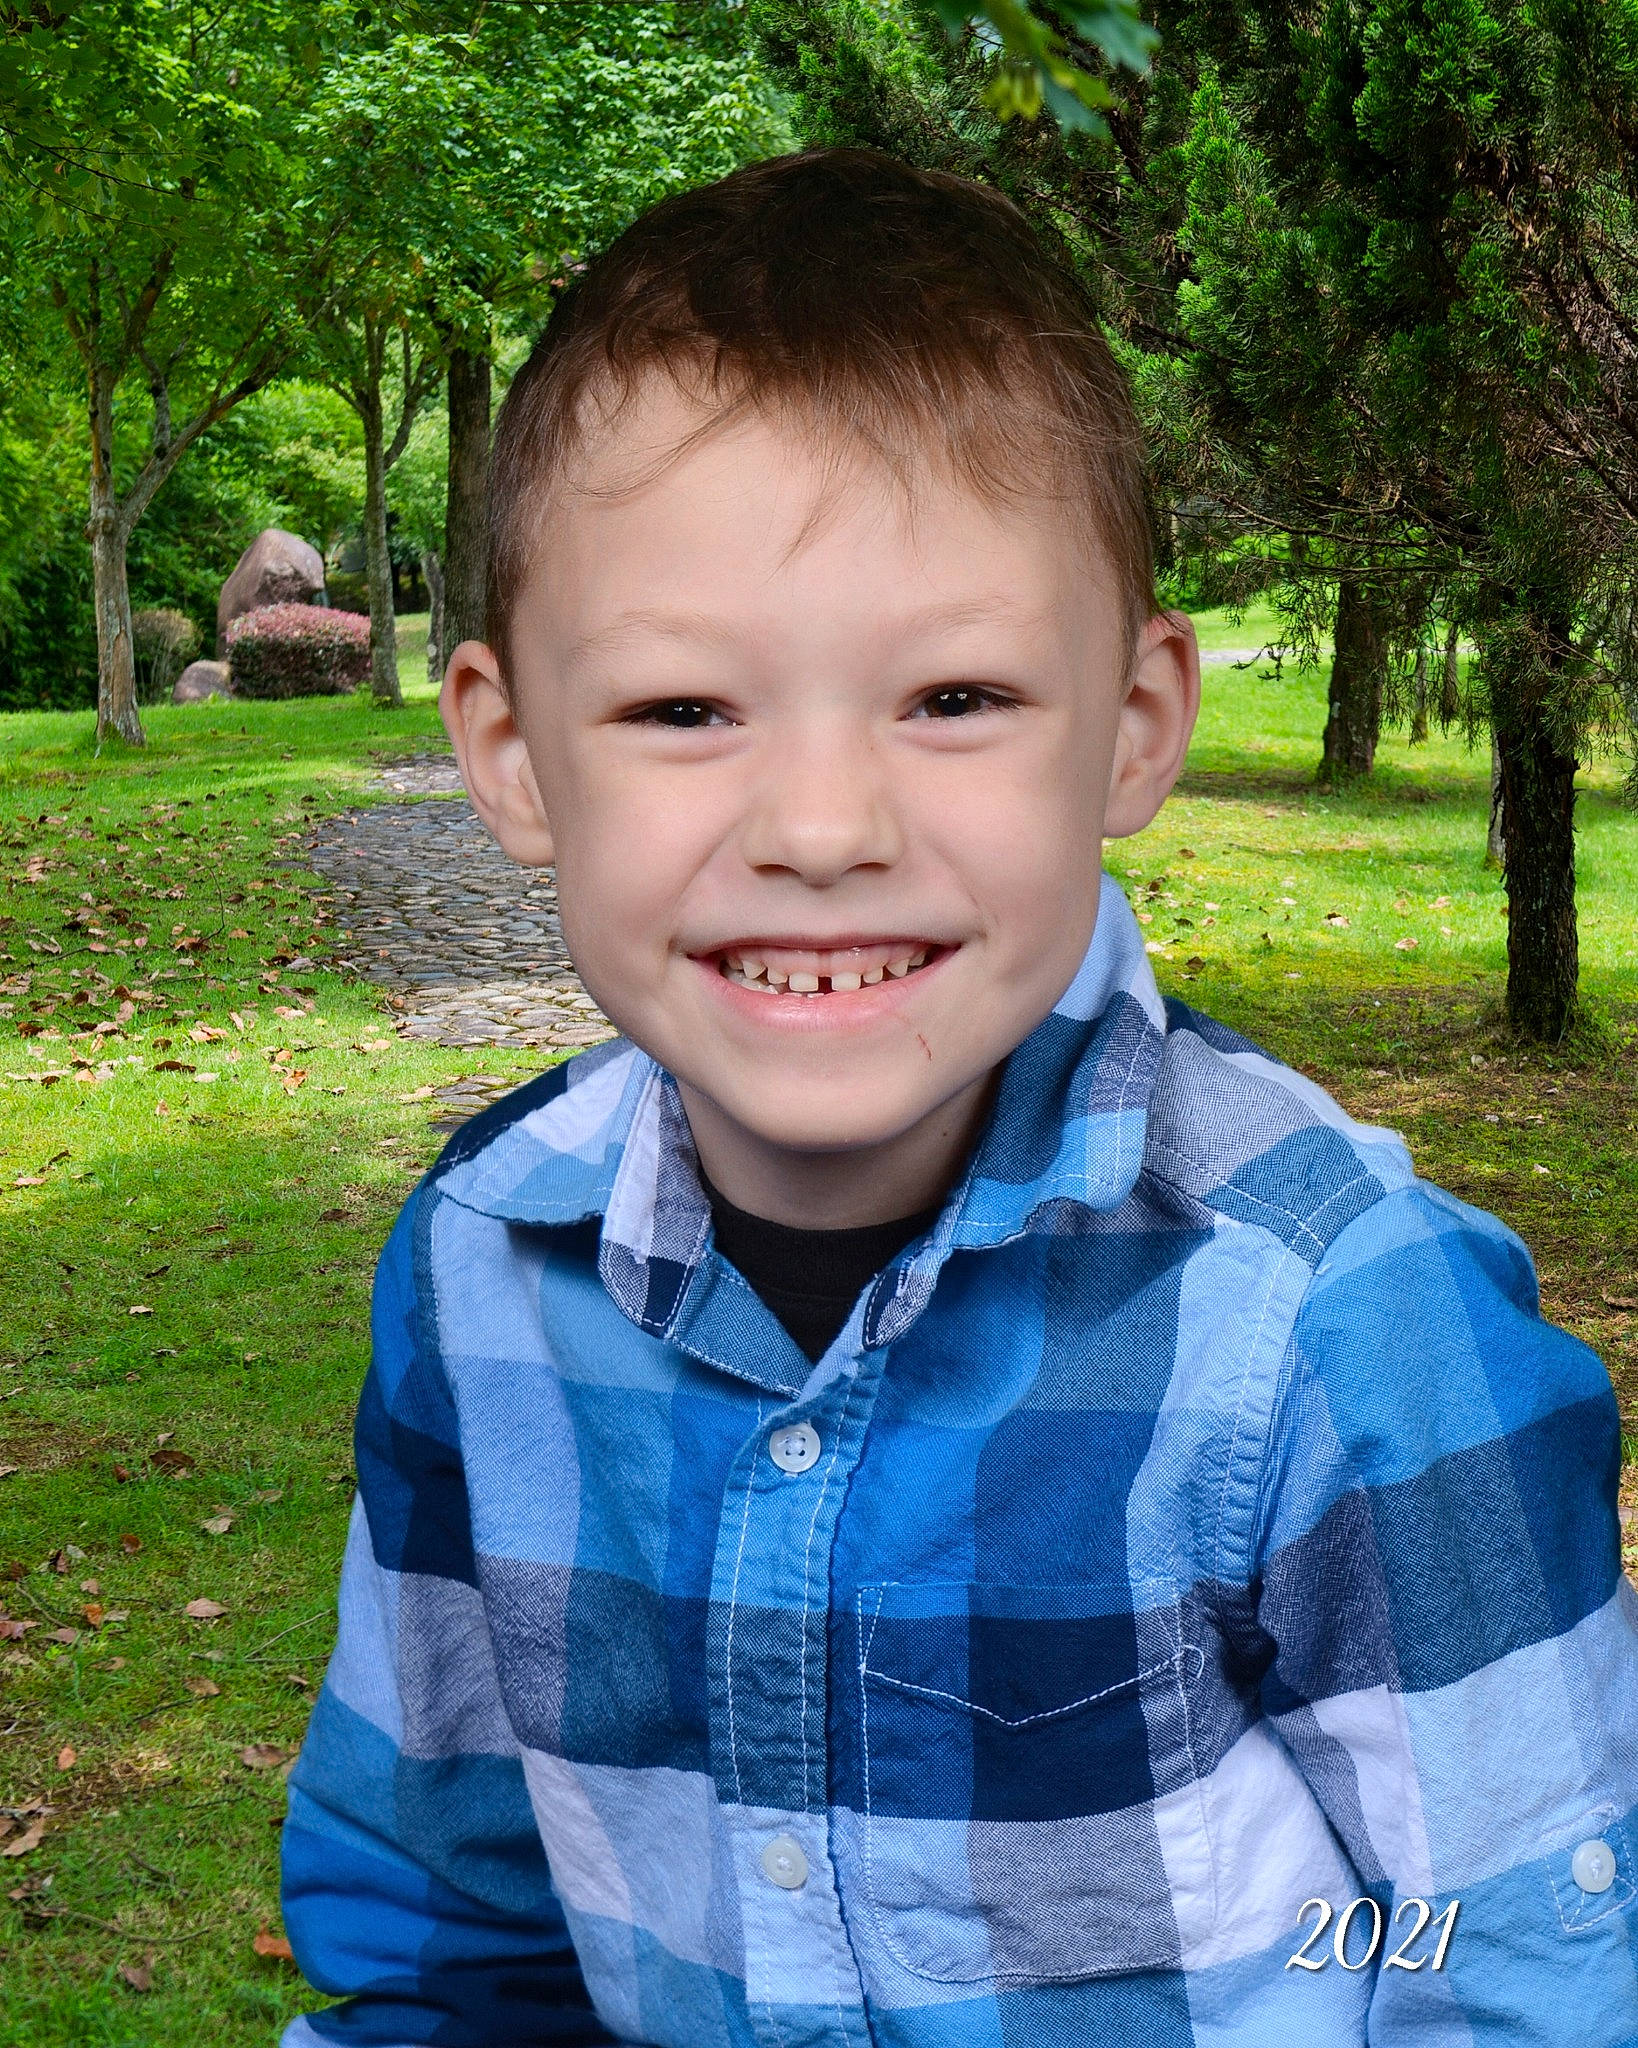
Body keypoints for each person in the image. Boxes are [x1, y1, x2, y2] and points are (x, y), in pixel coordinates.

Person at [278, 147, 1638, 2047]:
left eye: (954, 700)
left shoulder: (1346, 1320)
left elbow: (1514, 1967)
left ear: (1132, 727)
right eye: (684, 710)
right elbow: (451, 1940)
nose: (822, 831)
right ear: (509, 756)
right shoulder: (480, 1273)